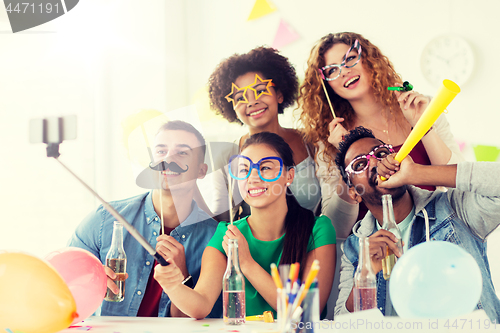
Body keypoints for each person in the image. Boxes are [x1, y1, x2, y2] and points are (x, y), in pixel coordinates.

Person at [298, 32, 464, 240]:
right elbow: (336, 229)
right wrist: (344, 157)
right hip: (378, 250)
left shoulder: (420, 107)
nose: (344, 72)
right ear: (326, 84)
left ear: (368, 58)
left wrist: (423, 126)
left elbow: (460, 184)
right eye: (332, 70)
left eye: (349, 59)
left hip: (439, 234)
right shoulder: (329, 140)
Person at [154, 132, 336, 318]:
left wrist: (247, 263)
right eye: (244, 170)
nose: (253, 177)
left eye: (265, 167)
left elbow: (304, 313)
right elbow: (201, 306)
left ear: (289, 176)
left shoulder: (318, 229)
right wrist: (173, 285)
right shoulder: (227, 233)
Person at [334, 126, 500, 321]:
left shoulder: (454, 209)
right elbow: (341, 321)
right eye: (360, 164)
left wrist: (417, 173)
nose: (375, 162)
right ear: (354, 192)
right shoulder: (355, 249)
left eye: (381, 154)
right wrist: (364, 276)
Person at [68, 120, 222, 318]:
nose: (168, 159)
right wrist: (89, 280)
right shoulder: (106, 218)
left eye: (182, 152)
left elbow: (193, 321)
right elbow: (61, 283)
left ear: (201, 170)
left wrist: (182, 278)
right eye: (160, 151)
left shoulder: (215, 238)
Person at [208, 46, 322, 222]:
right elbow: (220, 222)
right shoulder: (227, 156)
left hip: (314, 244)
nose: (252, 101)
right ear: (232, 108)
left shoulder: (312, 143)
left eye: (260, 90)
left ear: (279, 94)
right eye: (240, 98)